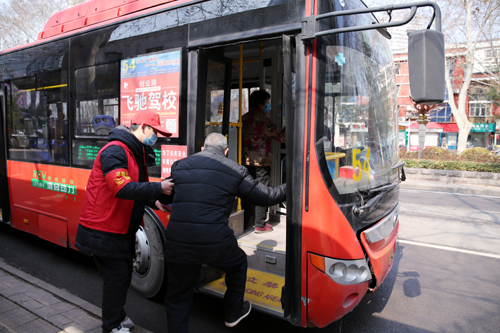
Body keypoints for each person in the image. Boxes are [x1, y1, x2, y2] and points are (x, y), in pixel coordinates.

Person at [163, 133, 286, 332]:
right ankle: (233, 312)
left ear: (203, 148)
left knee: (178, 295)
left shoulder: (180, 165)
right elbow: (266, 196)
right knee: (237, 264)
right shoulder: (234, 170)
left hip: (178, 242)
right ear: (226, 151)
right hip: (215, 242)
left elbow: (166, 191)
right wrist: (292, 186)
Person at [75, 110, 174, 333]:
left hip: (119, 229)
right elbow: (121, 187)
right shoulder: (115, 151)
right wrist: (159, 188)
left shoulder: (134, 151)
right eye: (155, 131)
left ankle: (117, 317)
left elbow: (135, 189)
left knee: (122, 275)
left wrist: (154, 201)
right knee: (117, 279)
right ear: (143, 128)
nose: (155, 137)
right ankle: (112, 326)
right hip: (103, 230)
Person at [242, 90, 285, 233]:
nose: (268, 106)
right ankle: (260, 224)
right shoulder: (263, 120)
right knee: (261, 191)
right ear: (260, 103)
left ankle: (247, 220)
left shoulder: (244, 118)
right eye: (267, 103)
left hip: (244, 160)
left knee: (247, 191)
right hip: (261, 161)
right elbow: (280, 137)